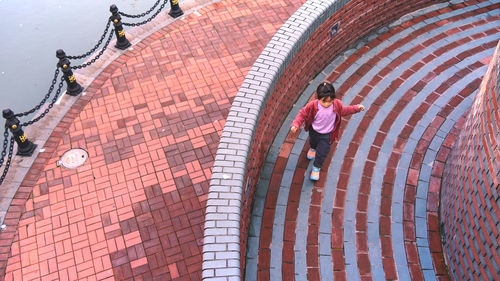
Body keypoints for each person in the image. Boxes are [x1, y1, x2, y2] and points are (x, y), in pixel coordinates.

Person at [291, 82, 365, 180]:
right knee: (313, 141)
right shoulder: (312, 105)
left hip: (327, 134)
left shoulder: (337, 104)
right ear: (318, 98)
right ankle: (313, 148)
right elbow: (302, 114)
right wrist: (296, 124)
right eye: (324, 101)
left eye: (330, 101)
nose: (327, 104)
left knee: (322, 152)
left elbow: (344, 110)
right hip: (314, 131)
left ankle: (316, 168)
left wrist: (356, 108)